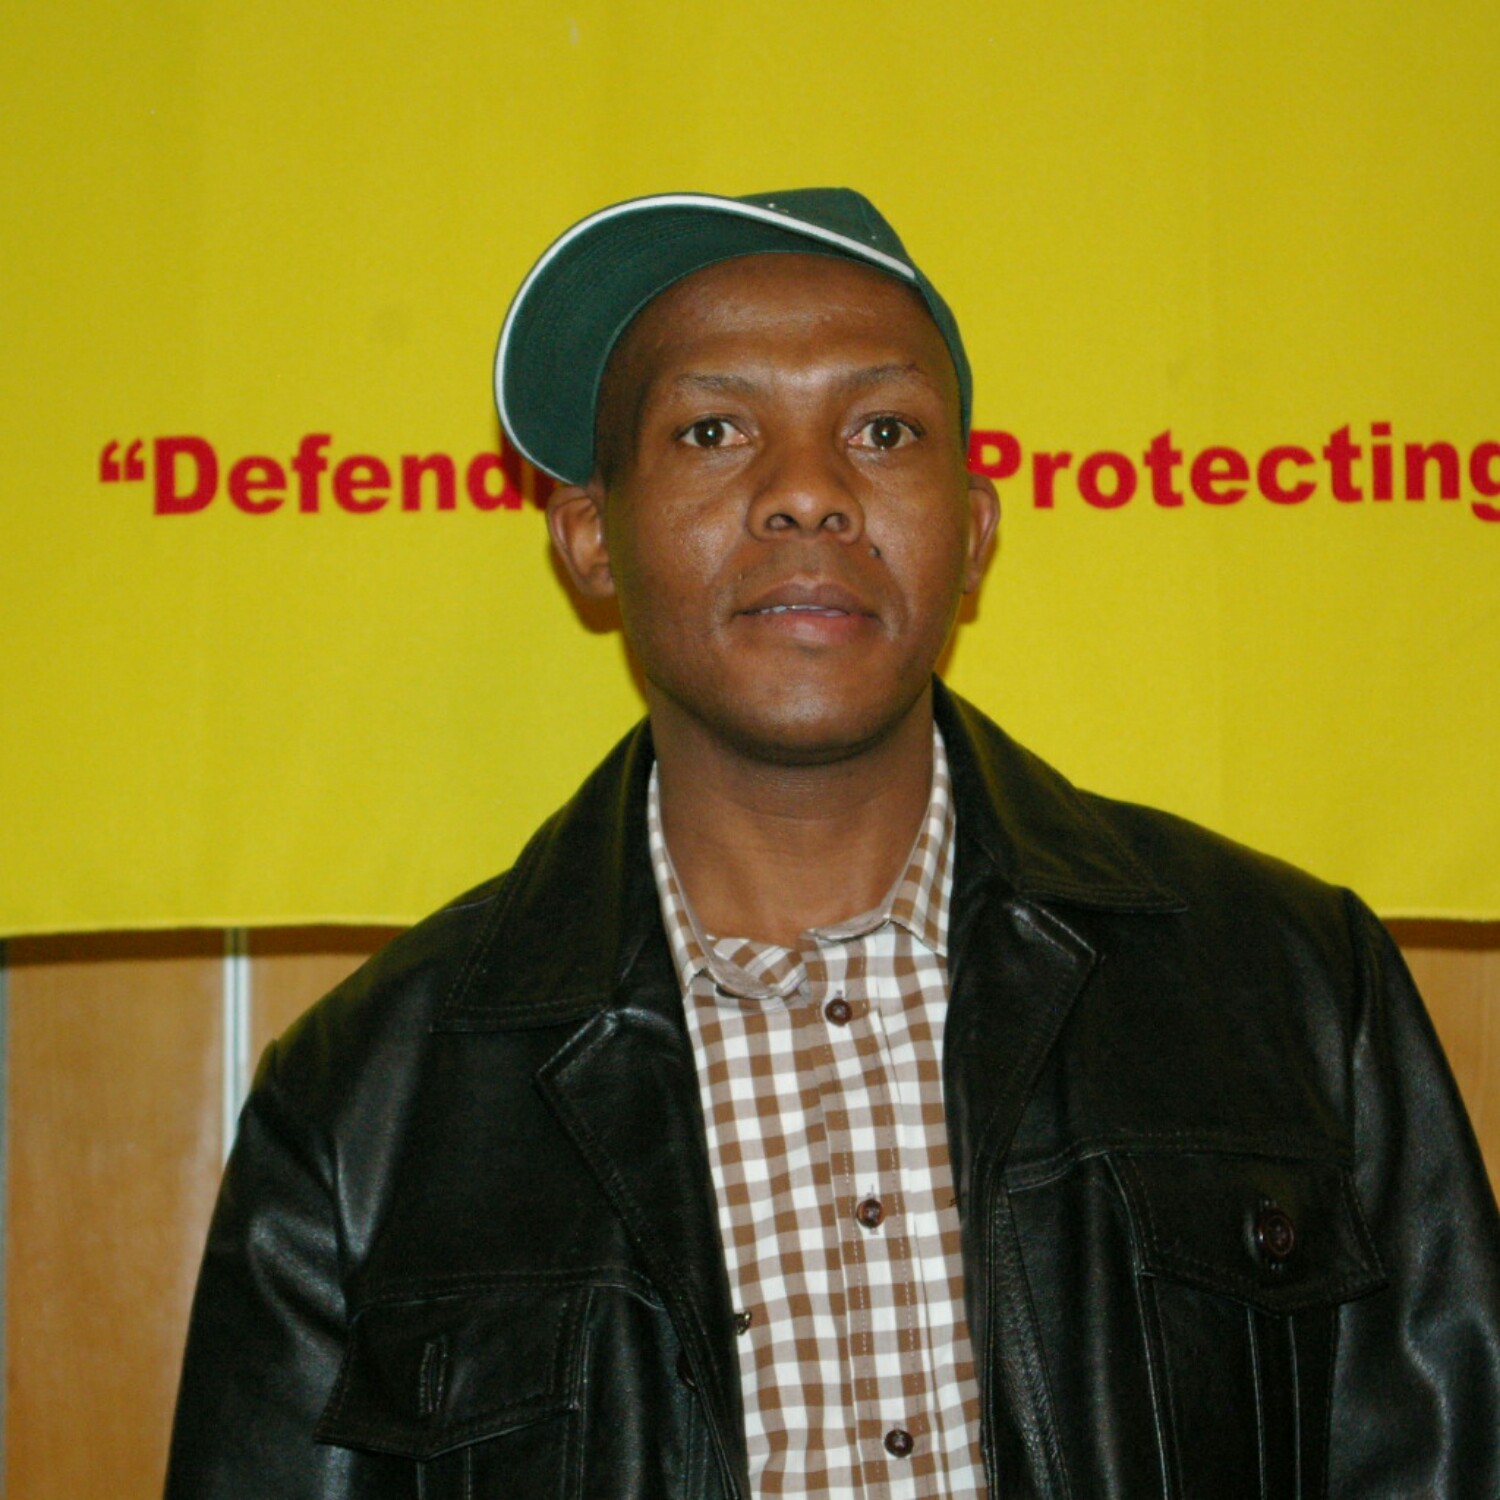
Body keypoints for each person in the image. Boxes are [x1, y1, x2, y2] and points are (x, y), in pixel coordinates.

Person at [165, 189, 1500, 1499]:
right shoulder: (362, 1111)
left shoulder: (1294, 989)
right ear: (589, 540)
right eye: (712, 430)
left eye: (882, 429)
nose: (809, 493)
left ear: (973, 532)